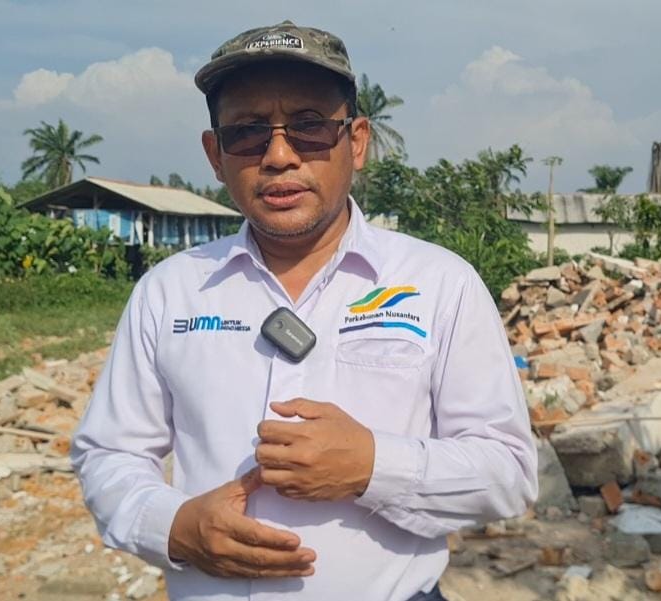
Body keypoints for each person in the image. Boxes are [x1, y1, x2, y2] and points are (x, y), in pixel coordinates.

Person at [72, 20, 537, 601]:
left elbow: (507, 472)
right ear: (215, 155)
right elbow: (109, 452)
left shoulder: (439, 284)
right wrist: (174, 526)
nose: (278, 156)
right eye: (247, 132)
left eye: (310, 126)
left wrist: (373, 466)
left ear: (357, 141)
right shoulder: (170, 293)